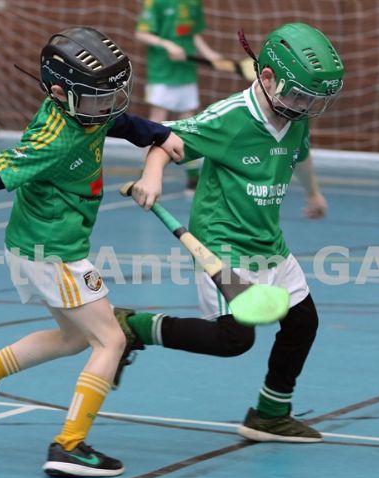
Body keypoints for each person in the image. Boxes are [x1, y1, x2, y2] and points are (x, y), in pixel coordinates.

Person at [0, 27, 183, 478]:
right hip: (53, 253)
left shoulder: (85, 109)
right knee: (111, 340)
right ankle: (69, 446)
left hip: (40, 245)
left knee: (73, 338)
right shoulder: (53, 140)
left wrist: (156, 133)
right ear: (60, 93)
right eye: (98, 98)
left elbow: (117, 121)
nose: (107, 107)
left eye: (111, 96)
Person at [117, 22, 344, 442]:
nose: (306, 106)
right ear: (268, 78)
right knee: (233, 339)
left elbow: (300, 154)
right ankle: (133, 327)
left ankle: (270, 414)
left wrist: (314, 193)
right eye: (300, 96)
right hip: (222, 244)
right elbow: (166, 141)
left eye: (314, 100)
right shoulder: (230, 118)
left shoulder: (294, 114)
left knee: (302, 322)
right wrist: (152, 176)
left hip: (267, 241)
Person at [135, 0, 223, 190]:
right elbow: (141, 34)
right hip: (161, 73)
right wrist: (167, 44)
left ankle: (192, 174)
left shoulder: (194, 3)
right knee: (157, 120)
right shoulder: (155, 2)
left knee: (189, 123)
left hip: (186, 72)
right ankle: (147, 173)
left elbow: (193, 33)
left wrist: (208, 53)